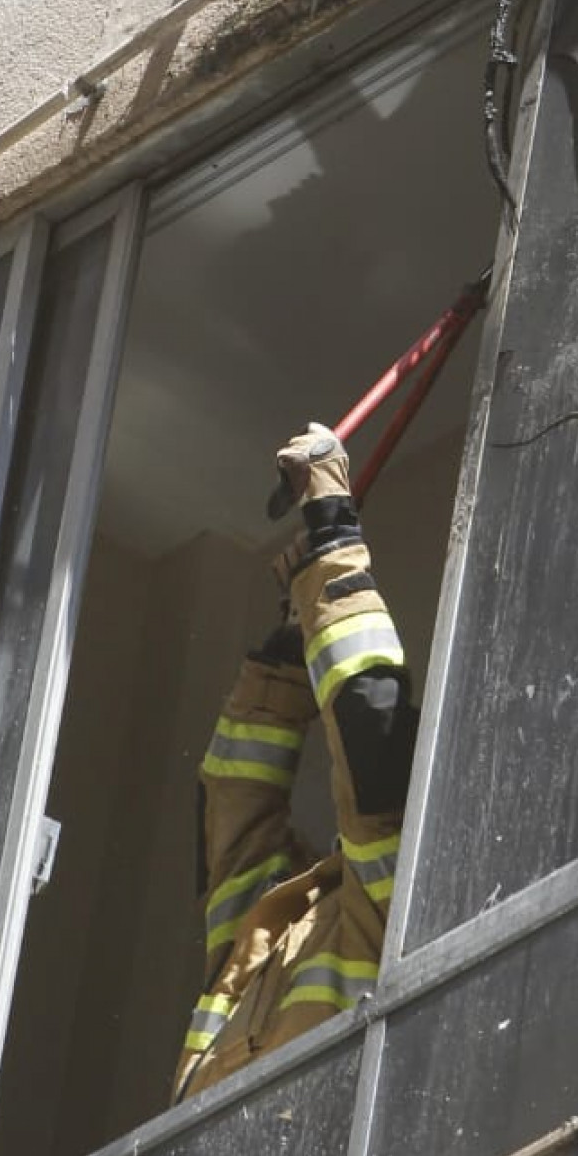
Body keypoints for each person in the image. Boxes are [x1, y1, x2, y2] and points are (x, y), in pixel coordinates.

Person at [174, 422, 414, 1102]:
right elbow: (230, 802)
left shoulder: (394, 896)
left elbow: (371, 716)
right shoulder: (264, 940)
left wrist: (334, 540)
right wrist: (285, 654)